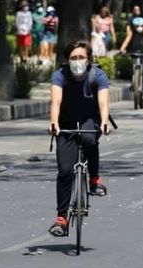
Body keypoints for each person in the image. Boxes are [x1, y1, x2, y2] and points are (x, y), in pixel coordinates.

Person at [47, 40, 112, 236]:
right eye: (73, 58)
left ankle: (94, 179)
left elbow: (103, 101)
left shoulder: (98, 75)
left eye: (81, 57)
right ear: (67, 60)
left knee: (89, 140)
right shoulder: (60, 75)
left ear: (89, 59)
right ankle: (61, 218)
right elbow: (55, 100)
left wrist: (104, 121)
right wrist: (53, 122)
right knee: (65, 171)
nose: (77, 61)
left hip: (89, 121)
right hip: (65, 125)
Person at [119, 16, 143, 92]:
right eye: (137, 26)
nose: (139, 27)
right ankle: (133, 83)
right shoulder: (131, 32)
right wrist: (122, 49)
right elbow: (127, 40)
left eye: (141, 26)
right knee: (132, 68)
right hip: (134, 51)